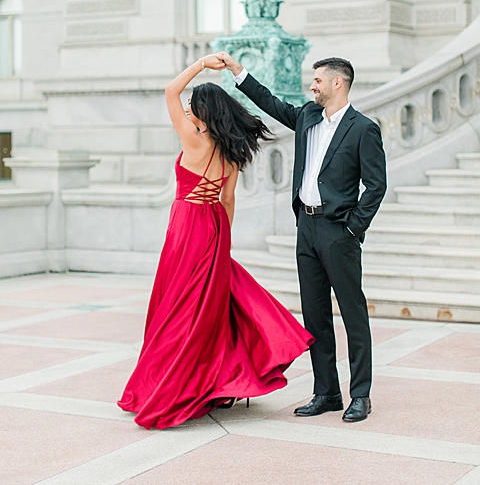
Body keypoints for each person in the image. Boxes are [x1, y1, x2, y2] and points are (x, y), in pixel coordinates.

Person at [118, 54, 313, 430]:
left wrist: (203, 65)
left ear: (203, 112)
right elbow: (227, 200)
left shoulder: (193, 141)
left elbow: (168, 90)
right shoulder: (231, 152)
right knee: (208, 307)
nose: (187, 109)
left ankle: (169, 385)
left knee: (176, 308)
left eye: (192, 106)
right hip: (214, 226)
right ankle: (215, 382)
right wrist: (225, 243)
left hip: (187, 226)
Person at [216, 52, 386, 422]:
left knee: (353, 314)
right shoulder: (308, 117)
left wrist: (353, 228)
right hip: (306, 228)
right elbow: (271, 103)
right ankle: (326, 392)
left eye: (318, 81)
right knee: (315, 315)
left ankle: (361, 395)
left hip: (338, 231)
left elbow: (375, 186)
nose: (312, 86)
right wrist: (236, 71)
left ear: (337, 83)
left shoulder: (363, 129)